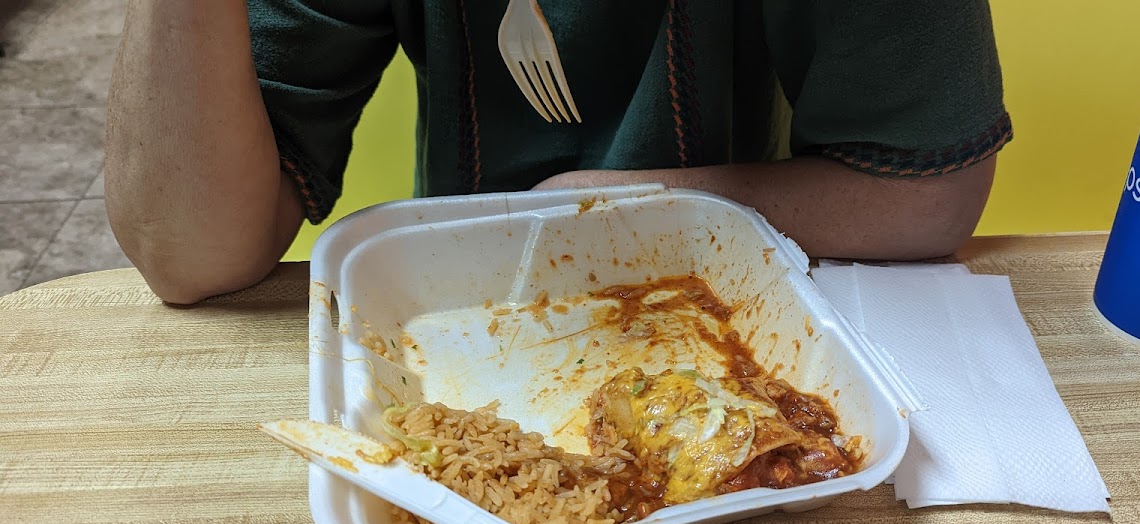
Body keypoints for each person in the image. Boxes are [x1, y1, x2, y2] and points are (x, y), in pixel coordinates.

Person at [105, 1, 1011, 305]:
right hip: (454, 333)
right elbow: (188, 251)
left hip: (745, 319)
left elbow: (927, 192)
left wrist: (608, 204)